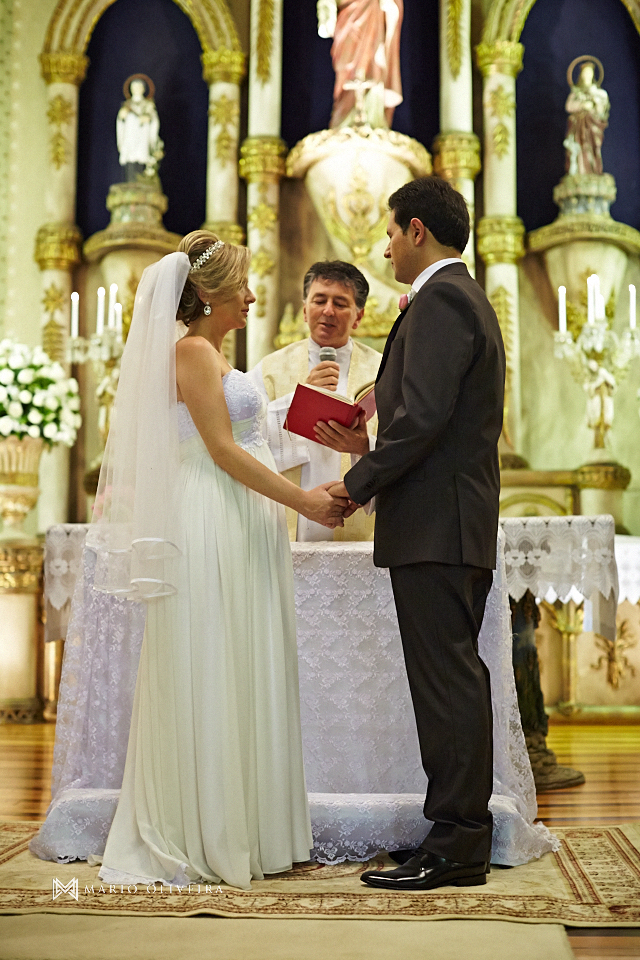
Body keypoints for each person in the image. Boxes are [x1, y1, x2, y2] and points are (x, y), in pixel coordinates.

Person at [93, 232, 348, 891]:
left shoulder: (208, 355)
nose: (253, 296)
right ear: (207, 295)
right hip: (211, 513)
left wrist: (308, 420)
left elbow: (249, 437)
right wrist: (305, 502)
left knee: (245, 662)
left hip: (240, 517)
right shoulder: (191, 351)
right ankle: (209, 832)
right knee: (215, 660)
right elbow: (223, 452)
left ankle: (256, 833)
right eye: (242, 288)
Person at [329, 177, 506, 890]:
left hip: (438, 525)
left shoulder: (440, 300)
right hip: (444, 522)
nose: (384, 247)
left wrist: (355, 481)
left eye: (390, 233)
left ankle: (460, 844)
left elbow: (427, 419)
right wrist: (381, 400)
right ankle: (451, 832)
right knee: (449, 685)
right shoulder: (455, 299)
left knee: (449, 687)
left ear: (415, 231)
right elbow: (433, 405)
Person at [248, 261, 381, 541]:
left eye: (341, 303)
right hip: (287, 525)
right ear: (305, 309)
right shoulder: (270, 370)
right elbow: (245, 442)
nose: (328, 310)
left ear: (359, 316)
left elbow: (405, 444)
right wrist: (297, 401)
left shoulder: (384, 372)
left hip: (358, 522)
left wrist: (362, 444)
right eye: (319, 300)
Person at [317, 0, 403, 128]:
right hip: (347, 17)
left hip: (372, 14)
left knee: (373, 64)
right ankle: (343, 118)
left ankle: (373, 118)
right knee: (346, 69)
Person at [563, 58, 609, 176]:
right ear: (581, 75)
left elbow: (602, 110)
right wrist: (583, 105)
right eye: (585, 73)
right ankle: (580, 171)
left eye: (590, 73)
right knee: (579, 149)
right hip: (579, 128)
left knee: (593, 148)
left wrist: (594, 102)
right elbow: (569, 106)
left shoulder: (598, 92)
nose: (587, 75)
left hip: (593, 127)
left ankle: (593, 170)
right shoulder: (576, 92)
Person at [116, 74, 164, 180]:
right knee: (130, 159)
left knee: (142, 157)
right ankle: (130, 181)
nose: (136, 89)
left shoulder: (148, 105)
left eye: (138, 87)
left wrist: (148, 118)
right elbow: (121, 120)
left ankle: (142, 180)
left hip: (142, 135)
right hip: (130, 135)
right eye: (134, 87)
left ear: (143, 89)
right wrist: (122, 116)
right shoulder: (127, 104)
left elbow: (153, 119)